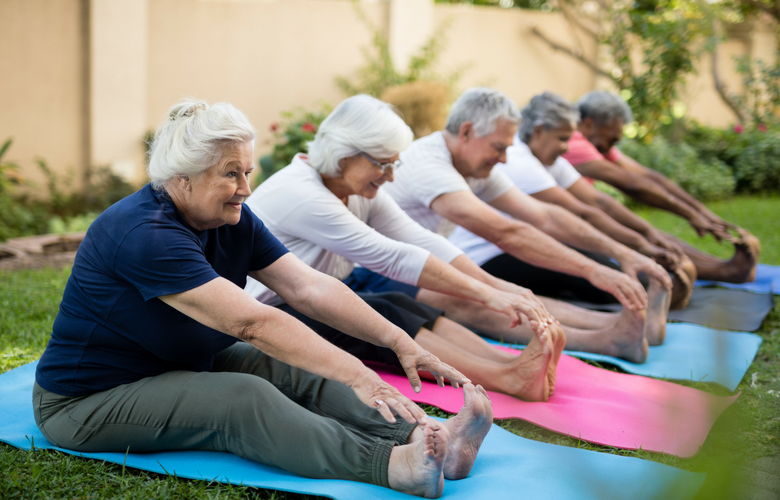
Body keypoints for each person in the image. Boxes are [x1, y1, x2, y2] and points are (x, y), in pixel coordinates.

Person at [32, 99, 493, 498]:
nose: (246, 189)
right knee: (243, 396)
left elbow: (307, 286)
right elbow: (250, 323)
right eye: (231, 174)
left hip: (178, 362)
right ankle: (394, 466)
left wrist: (398, 341)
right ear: (184, 177)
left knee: (290, 364)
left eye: (247, 171)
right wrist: (358, 374)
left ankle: (429, 438)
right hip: (86, 400)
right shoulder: (143, 233)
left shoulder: (233, 218)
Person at [245, 94, 564, 401]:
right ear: (345, 155)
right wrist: (488, 295)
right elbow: (393, 257)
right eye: (384, 164)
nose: (391, 176)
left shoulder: (351, 186)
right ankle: (507, 378)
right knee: (381, 313)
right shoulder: (303, 194)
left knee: (396, 299)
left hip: (301, 303)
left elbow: (420, 239)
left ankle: (509, 362)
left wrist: (499, 287)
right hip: (260, 322)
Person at [382, 87, 672, 361]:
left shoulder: (471, 163)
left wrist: (621, 252)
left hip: (418, 262)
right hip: (374, 270)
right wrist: (594, 269)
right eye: (499, 147)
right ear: (467, 132)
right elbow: (506, 233)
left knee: (507, 292)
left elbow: (543, 215)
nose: (505, 159)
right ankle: (608, 342)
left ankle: (619, 326)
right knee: (467, 295)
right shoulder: (429, 164)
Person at [452, 91, 688, 309]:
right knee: (601, 274)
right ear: (538, 131)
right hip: (486, 258)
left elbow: (597, 203)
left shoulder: (547, 161)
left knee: (594, 261)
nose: (567, 148)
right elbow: (574, 214)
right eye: (563, 138)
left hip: (518, 245)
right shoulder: (519, 162)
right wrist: (637, 247)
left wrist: (644, 239)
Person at [563, 90, 761, 284]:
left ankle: (722, 267)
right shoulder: (574, 143)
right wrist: (691, 214)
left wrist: (700, 211)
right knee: (626, 229)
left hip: (576, 214)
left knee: (637, 227)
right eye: (612, 139)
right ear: (588, 125)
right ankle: (724, 271)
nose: (609, 148)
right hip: (563, 222)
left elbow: (648, 177)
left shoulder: (592, 142)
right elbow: (632, 185)